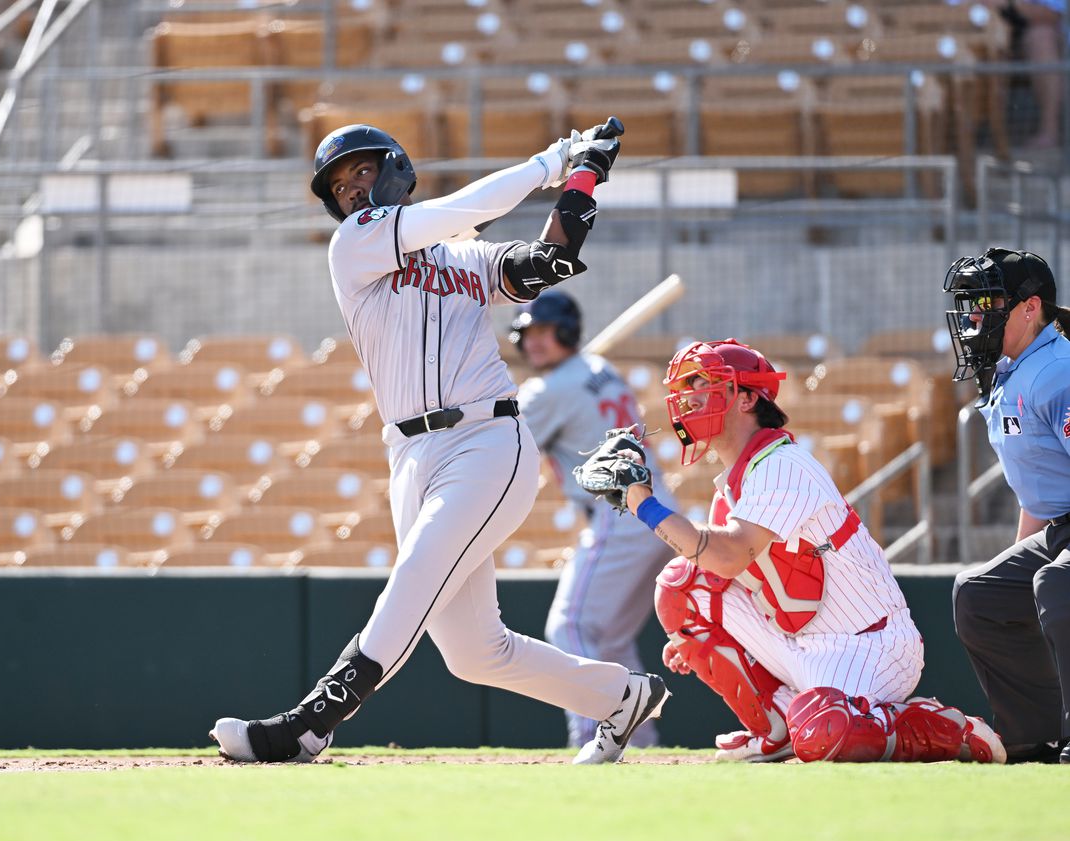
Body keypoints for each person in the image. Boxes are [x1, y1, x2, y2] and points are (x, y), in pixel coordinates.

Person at [208, 119, 669, 765]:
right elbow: (458, 209)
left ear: (394, 167)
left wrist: (586, 173)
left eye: (363, 172)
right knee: (476, 651)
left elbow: (550, 261)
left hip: (486, 438)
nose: (354, 192)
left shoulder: (463, 256)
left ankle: (312, 722)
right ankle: (622, 696)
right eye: (341, 186)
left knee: (417, 572)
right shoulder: (354, 246)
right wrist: (550, 160)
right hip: (409, 453)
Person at [573, 338, 1006, 763]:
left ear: (744, 398)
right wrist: (705, 640)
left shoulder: (783, 464)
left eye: (702, 385)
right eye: (683, 390)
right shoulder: (728, 491)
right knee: (681, 586)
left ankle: (944, 727)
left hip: (870, 647)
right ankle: (775, 732)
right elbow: (720, 574)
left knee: (822, 734)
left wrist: (642, 503)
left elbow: (728, 554)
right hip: (799, 644)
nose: (687, 400)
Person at [508, 290, 674, 749]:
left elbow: (506, 447)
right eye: (529, 334)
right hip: (657, 513)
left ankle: (594, 734)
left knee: (571, 628)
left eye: (544, 331)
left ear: (565, 331)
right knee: (610, 640)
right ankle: (640, 743)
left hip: (618, 512)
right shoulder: (601, 371)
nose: (535, 342)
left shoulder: (548, 389)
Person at [945, 247, 1070, 764]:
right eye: (970, 306)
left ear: (1029, 307)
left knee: (1059, 583)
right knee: (980, 595)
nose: (975, 318)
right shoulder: (1014, 371)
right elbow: (1037, 494)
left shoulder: (1056, 371)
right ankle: (1035, 739)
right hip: (1060, 529)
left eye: (987, 302)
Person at [989, 0, 1065, 149]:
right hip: (978, 33)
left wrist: (1011, 5)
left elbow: (1052, 14)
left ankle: (1049, 130)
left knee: (1041, 37)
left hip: (1029, 35)